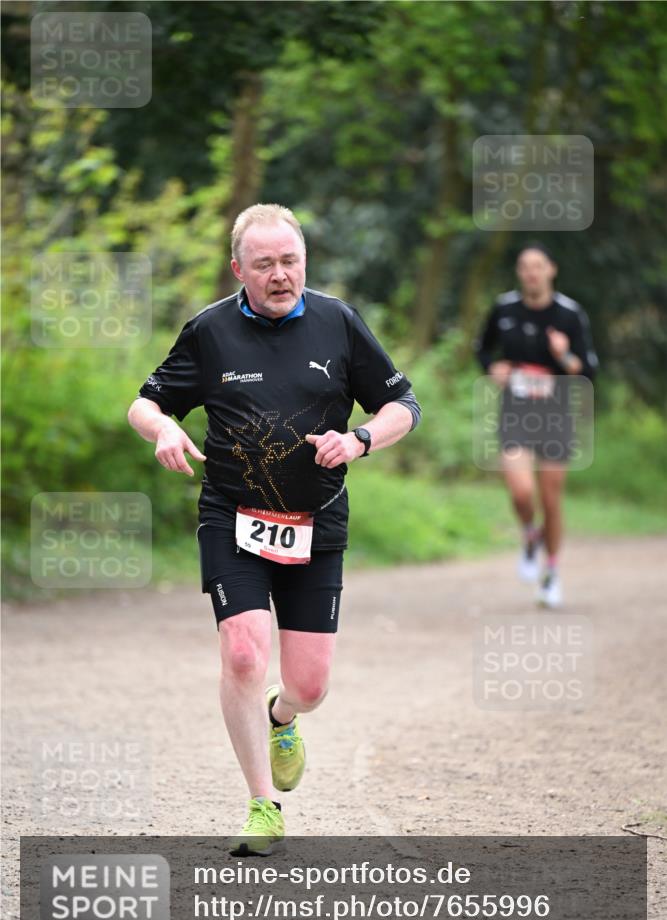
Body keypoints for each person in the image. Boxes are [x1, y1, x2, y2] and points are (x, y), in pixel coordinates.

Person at [128, 204, 421, 855]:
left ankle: (280, 715)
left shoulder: (336, 322)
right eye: (264, 264)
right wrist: (164, 427)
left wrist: (360, 439)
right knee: (241, 650)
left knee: (309, 685)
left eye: (290, 261)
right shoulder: (208, 332)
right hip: (231, 517)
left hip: (314, 525)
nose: (281, 274)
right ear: (239, 269)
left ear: (304, 262)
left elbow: (403, 404)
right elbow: (143, 402)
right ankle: (262, 806)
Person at [475, 243, 598, 608]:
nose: (532, 273)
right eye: (525, 267)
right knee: (521, 492)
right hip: (515, 411)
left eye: (538, 266)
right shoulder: (504, 308)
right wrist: (492, 368)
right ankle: (530, 535)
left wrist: (563, 355)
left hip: (557, 415)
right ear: (519, 272)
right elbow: (482, 348)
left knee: (550, 498)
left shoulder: (569, 315)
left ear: (551, 270)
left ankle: (551, 573)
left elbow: (588, 371)